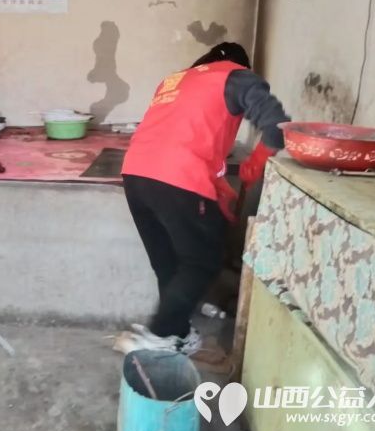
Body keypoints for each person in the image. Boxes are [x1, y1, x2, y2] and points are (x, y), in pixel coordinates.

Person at [118, 42, 290, 354]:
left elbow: (183, 136)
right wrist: (257, 161)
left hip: (135, 175)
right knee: (201, 262)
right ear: (241, 65)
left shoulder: (174, 81)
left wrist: (216, 188)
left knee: (167, 261)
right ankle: (157, 336)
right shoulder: (237, 76)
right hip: (177, 177)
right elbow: (277, 126)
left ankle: (177, 333)